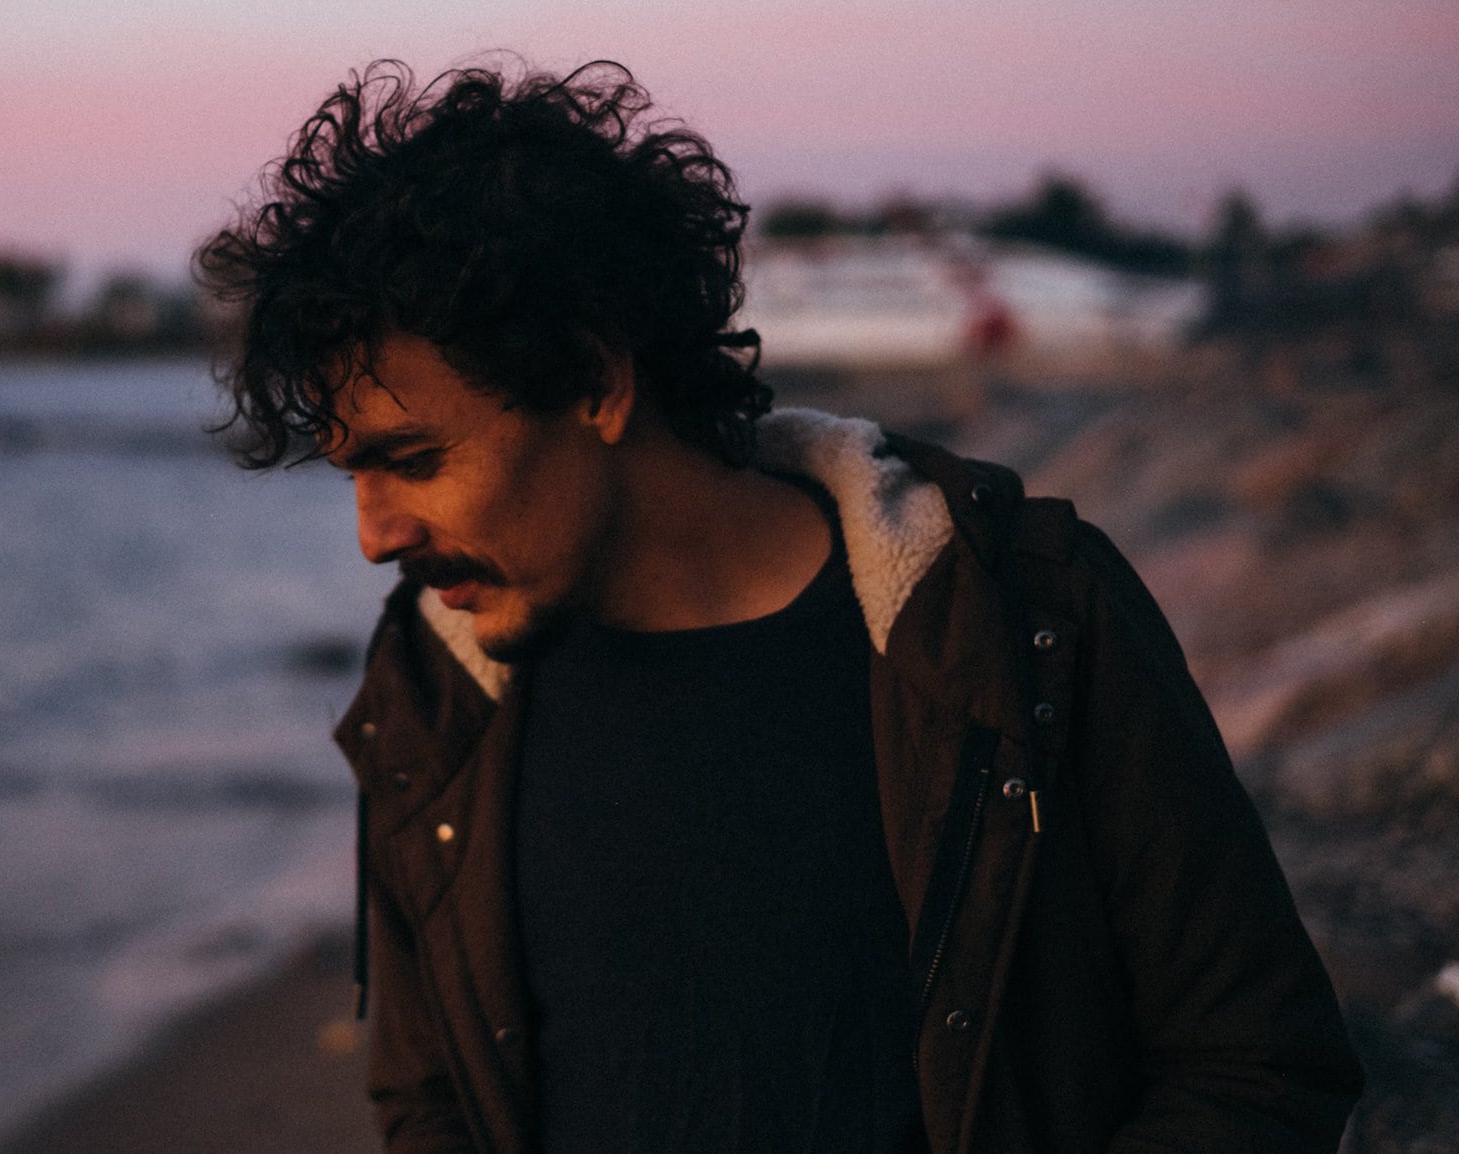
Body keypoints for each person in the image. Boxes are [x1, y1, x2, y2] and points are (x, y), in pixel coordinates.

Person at [195, 59, 1361, 1154]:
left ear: (594, 380)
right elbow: (433, 1101)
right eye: (350, 475)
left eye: (413, 460)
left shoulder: (1019, 618)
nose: (373, 535)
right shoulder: (433, 686)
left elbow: (1256, 1063)